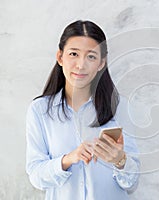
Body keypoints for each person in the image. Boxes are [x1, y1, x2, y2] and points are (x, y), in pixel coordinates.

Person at [26, 20, 140, 200]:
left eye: (91, 57)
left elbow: (132, 183)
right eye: (73, 54)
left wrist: (120, 160)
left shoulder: (119, 107)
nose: (81, 65)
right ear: (60, 57)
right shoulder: (40, 110)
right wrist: (68, 159)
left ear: (101, 63)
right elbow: (35, 176)